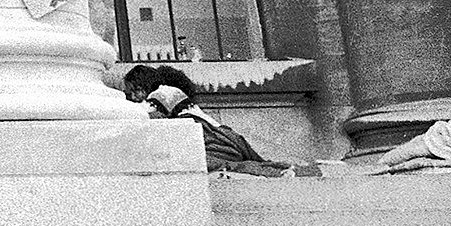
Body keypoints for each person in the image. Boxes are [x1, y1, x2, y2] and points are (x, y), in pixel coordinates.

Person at [118, 63, 313, 177]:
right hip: (225, 137)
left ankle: (278, 172)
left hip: (213, 138)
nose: (133, 97)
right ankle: (285, 169)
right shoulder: (173, 95)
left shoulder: (163, 93)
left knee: (210, 163)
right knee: (244, 162)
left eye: (134, 91)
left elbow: (145, 115)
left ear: (144, 85)